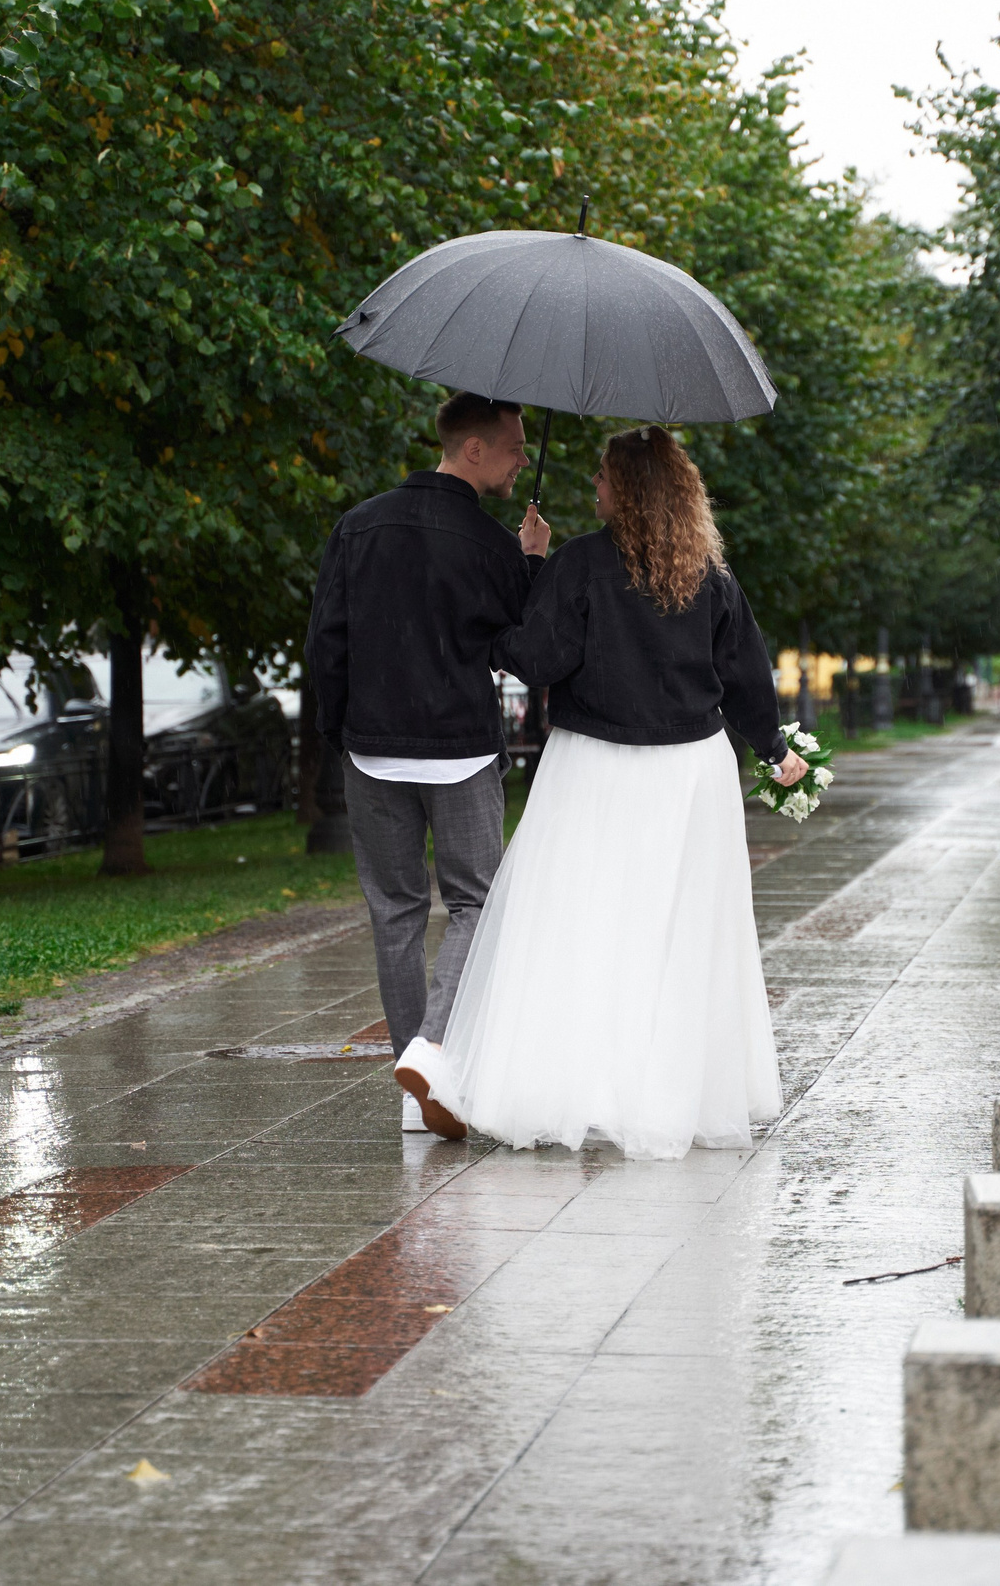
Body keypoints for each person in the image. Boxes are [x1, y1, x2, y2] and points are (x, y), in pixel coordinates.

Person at [421, 426, 808, 1161]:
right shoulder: (712, 578)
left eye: (601, 475)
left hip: (593, 765)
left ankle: (572, 1084)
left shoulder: (580, 565)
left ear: (626, 489)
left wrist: (519, 584)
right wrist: (775, 750)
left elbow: (540, 656)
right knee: (675, 935)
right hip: (690, 772)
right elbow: (748, 676)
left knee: (582, 925)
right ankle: (663, 1092)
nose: (593, 485)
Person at [304, 392, 550, 1139]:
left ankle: (418, 1090)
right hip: (461, 754)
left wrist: (334, 737)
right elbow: (525, 641)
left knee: (396, 909)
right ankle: (432, 1050)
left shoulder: (358, 525)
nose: (518, 459)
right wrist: (532, 562)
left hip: (372, 749)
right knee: (477, 901)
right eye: (511, 446)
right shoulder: (489, 543)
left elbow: (326, 644)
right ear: (471, 449)